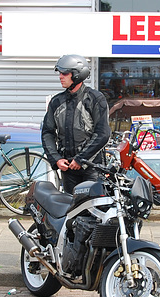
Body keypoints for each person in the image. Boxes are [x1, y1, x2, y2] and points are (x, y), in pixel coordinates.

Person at [42, 54, 111, 194]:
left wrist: (81, 159)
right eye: (60, 73)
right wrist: (56, 159)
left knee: (94, 209)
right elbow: (47, 132)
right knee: (71, 208)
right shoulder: (56, 102)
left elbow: (103, 134)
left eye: (65, 73)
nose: (61, 76)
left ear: (77, 75)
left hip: (92, 168)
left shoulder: (95, 99)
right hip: (68, 169)